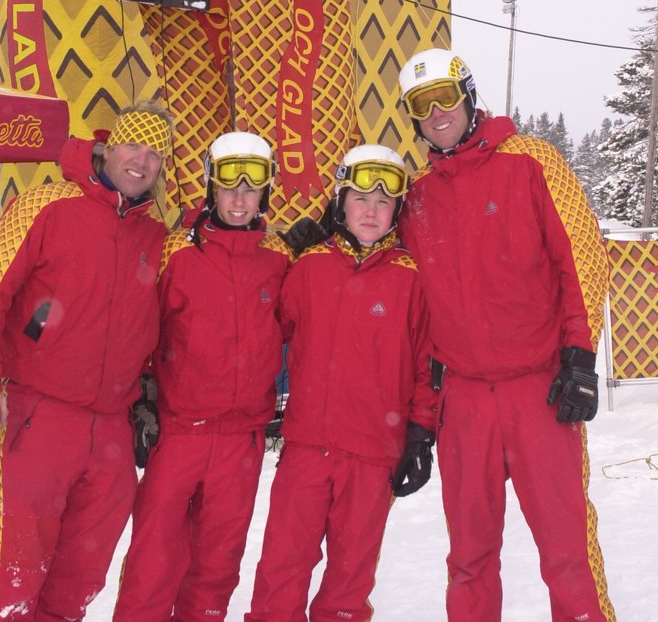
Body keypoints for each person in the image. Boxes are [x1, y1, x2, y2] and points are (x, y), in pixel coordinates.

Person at [397, 47, 616, 622]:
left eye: (446, 96)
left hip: (538, 387)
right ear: (413, 116)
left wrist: (579, 358)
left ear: (468, 96)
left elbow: (583, 259)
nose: (437, 111)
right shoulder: (415, 195)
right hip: (464, 399)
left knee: (566, 549)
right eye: (423, 104)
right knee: (469, 556)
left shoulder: (531, 161)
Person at [0, 101, 174, 622]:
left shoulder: (155, 235)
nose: (140, 162)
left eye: (154, 154)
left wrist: (148, 393)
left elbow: (162, 328)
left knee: (81, 572)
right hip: (41, 415)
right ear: (109, 146)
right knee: (16, 565)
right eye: (132, 146)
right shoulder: (49, 205)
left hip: (112, 431)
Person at [246, 144, 437, 622]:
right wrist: (282, 253)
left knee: (349, 583)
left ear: (396, 210)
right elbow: (261, 325)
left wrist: (420, 433)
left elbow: (426, 365)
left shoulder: (411, 278)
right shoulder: (309, 267)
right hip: (307, 449)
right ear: (340, 202)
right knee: (281, 573)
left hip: (373, 455)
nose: (371, 211)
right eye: (359, 199)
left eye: (383, 202)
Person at [113, 130, 292, 621]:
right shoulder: (175, 252)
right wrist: (139, 399)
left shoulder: (280, 260)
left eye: (251, 187)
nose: (239, 198)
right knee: (153, 564)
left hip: (242, 440)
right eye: (228, 185)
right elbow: (136, 327)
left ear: (265, 192)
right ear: (211, 186)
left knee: (217, 568)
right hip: (179, 432)